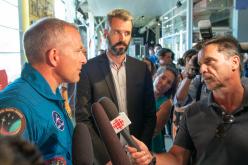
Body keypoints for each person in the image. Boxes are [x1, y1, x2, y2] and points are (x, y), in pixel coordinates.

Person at [128, 36, 248, 165]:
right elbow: (177, 158)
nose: (202, 69)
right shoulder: (193, 113)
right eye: (201, 65)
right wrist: (150, 157)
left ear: (234, 62)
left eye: (210, 61)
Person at [0, 18, 87, 165]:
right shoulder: (17, 105)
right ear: (54, 56)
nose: (84, 59)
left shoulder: (52, 94)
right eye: (78, 51)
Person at [76, 9, 156, 164]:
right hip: (106, 157)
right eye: (117, 32)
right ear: (106, 33)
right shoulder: (88, 69)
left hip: (137, 154)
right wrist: (105, 157)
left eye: (127, 33)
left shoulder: (141, 69)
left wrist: (141, 148)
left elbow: (150, 114)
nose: (122, 38)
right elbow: (83, 118)